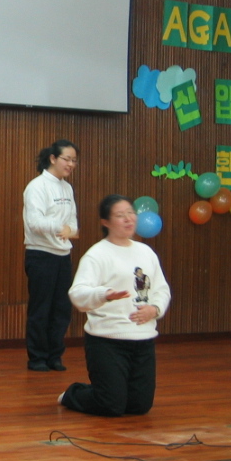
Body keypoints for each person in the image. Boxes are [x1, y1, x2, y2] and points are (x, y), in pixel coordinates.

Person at [58, 195, 170, 417]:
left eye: (130, 213)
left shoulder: (146, 252)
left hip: (143, 340)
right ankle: (73, 393)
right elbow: (77, 294)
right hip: (107, 340)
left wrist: (155, 309)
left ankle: (108, 389)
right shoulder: (97, 254)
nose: (128, 219)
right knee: (111, 405)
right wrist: (104, 294)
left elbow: (161, 289)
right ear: (106, 222)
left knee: (139, 406)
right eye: (120, 215)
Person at [23, 139, 79, 372]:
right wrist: (61, 227)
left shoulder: (67, 188)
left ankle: (55, 356)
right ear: (53, 159)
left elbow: (74, 225)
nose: (71, 164)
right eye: (67, 159)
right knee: (41, 309)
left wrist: (70, 230)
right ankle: (37, 358)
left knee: (61, 309)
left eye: (74, 160)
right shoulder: (37, 186)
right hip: (41, 255)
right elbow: (34, 222)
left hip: (63, 255)